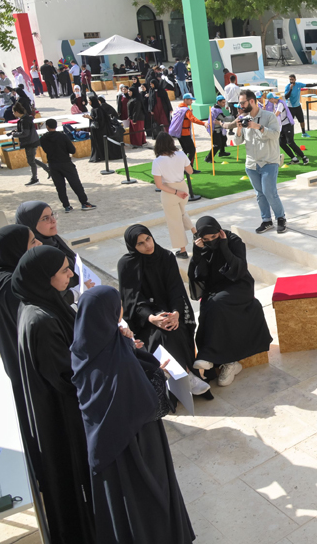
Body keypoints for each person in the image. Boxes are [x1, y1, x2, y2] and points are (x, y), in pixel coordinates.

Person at [70, 286, 195, 544]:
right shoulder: (119, 360)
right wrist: (159, 374)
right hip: (136, 444)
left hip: (107, 447)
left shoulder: (83, 348)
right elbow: (150, 404)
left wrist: (127, 344)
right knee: (148, 501)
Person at [12, 246, 98, 544]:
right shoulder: (42, 320)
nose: (71, 274)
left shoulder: (39, 304)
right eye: (64, 270)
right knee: (74, 481)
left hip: (60, 408)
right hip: (63, 416)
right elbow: (67, 377)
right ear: (44, 278)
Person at [117, 226, 210, 396]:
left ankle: (185, 375)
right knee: (162, 334)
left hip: (169, 311)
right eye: (140, 243)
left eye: (148, 239)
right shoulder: (127, 265)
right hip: (143, 319)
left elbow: (176, 290)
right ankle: (186, 376)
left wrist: (176, 313)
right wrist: (151, 318)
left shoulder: (166, 256)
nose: (147, 245)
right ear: (132, 247)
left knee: (175, 327)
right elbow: (132, 300)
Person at [188, 216, 273, 386]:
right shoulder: (201, 245)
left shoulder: (234, 240)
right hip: (216, 287)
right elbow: (199, 275)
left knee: (217, 303)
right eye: (206, 239)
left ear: (219, 231)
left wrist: (224, 246)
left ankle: (208, 355)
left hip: (239, 285)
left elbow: (239, 268)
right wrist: (198, 252)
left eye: (214, 237)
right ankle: (227, 361)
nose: (211, 241)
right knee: (208, 305)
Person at [0, 225, 42, 448]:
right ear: (15, 250)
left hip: (14, 358)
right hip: (31, 369)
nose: (39, 244)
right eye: (33, 242)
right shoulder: (13, 286)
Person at [233, 89, 288, 234]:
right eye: (239, 103)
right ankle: (266, 220)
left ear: (252, 101)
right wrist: (238, 129)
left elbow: (275, 135)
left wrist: (258, 127)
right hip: (251, 164)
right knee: (259, 194)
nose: (240, 106)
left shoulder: (269, 116)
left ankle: (281, 218)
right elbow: (237, 142)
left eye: (242, 103)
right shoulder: (243, 118)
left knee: (270, 192)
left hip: (269, 161)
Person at [151, 133, 195, 258]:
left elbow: (159, 185)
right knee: (182, 213)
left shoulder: (157, 162)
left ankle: (182, 250)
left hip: (169, 192)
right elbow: (190, 171)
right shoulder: (181, 154)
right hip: (183, 187)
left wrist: (175, 192)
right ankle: (196, 232)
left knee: (174, 221)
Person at [39, 119, 96, 212]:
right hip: (65, 162)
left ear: (47, 127)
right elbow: (72, 150)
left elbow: (45, 150)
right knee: (75, 183)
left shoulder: (43, 139)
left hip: (53, 164)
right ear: (56, 126)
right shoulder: (62, 136)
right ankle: (84, 203)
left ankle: (66, 206)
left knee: (60, 186)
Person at [11, 103, 50, 186]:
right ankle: (46, 169)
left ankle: (35, 178)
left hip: (30, 142)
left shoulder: (24, 120)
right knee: (31, 159)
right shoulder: (26, 118)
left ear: (17, 112)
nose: (13, 114)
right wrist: (16, 131)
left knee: (31, 161)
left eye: (13, 112)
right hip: (32, 141)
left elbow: (25, 133)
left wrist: (15, 134)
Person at [268, 91, 309, 165]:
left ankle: (304, 157)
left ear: (272, 98)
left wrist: (268, 118)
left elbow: (276, 114)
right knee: (281, 143)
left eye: (269, 99)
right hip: (282, 126)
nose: (269, 101)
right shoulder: (275, 104)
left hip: (287, 125)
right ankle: (294, 159)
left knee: (290, 142)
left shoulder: (280, 104)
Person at [170, 93, 206, 172]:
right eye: (190, 100)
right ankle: (189, 169)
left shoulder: (178, 108)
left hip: (178, 133)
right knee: (192, 150)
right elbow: (193, 119)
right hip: (185, 133)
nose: (191, 102)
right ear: (185, 100)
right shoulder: (186, 110)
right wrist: (204, 123)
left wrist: (189, 112)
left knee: (185, 151)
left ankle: (182, 167)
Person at [284, 73, 317, 137]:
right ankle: (290, 135)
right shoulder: (288, 87)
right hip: (290, 107)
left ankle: (303, 133)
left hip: (297, 106)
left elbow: (308, 85)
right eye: (290, 80)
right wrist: (290, 89)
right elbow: (286, 97)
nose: (291, 81)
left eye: (292, 79)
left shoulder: (299, 84)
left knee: (302, 121)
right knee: (290, 122)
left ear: (295, 79)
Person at [205, 96, 230, 162]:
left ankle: (222, 152)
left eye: (225, 102)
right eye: (223, 102)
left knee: (224, 139)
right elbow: (225, 118)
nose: (224, 104)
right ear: (218, 102)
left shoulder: (215, 108)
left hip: (219, 128)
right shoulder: (217, 110)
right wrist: (235, 118)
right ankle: (208, 158)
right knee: (217, 145)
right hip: (215, 130)